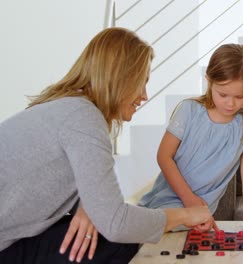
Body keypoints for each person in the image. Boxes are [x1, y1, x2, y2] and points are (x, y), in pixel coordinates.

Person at [0, 27, 213, 263]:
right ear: (120, 78)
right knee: (121, 240)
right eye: (141, 83)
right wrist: (185, 215)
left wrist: (89, 207)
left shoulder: (68, 108)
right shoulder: (83, 118)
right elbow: (116, 223)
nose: (144, 95)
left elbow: (94, 198)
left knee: (101, 231)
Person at [138, 44, 243, 231]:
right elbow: (164, 156)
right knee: (155, 229)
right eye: (223, 94)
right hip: (171, 200)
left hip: (202, 210)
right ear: (209, 81)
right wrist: (189, 199)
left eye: (240, 96)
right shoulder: (189, 110)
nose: (230, 103)